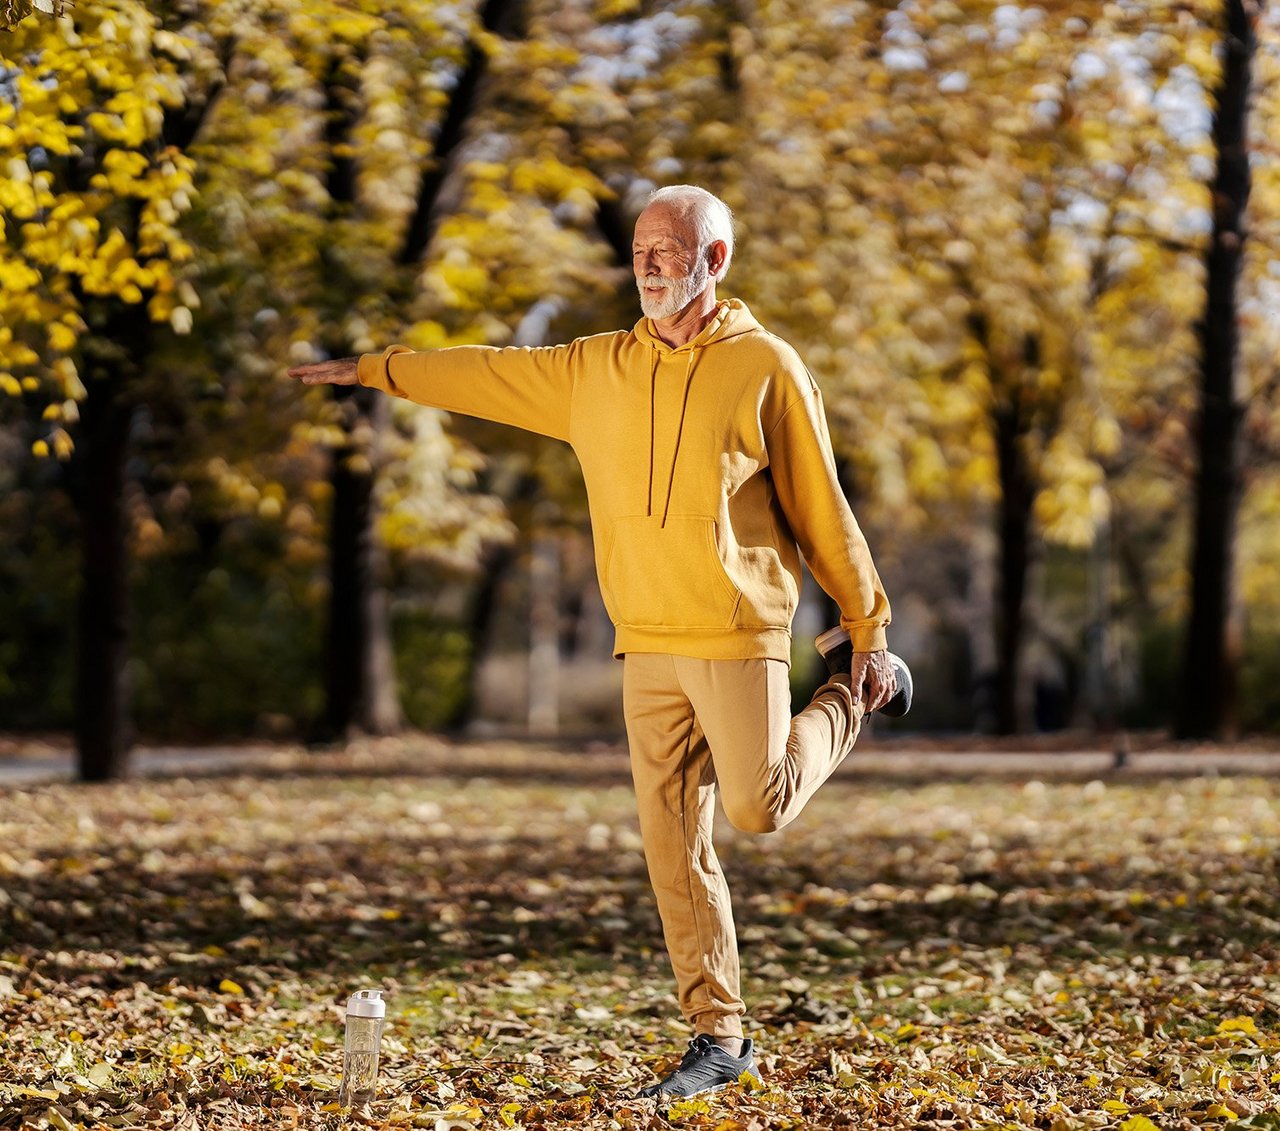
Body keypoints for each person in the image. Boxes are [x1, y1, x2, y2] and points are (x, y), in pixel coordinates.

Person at [288, 184, 912, 1099]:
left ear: (715, 260)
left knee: (758, 808)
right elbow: (484, 371)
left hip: (738, 630)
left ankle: (853, 696)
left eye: (669, 248)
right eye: (640, 247)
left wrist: (867, 629)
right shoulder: (594, 369)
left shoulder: (768, 366)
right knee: (673, 846)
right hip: (644, 639)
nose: (649, 262)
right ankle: (719, 1034)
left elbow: (823, 508)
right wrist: (379, 368)